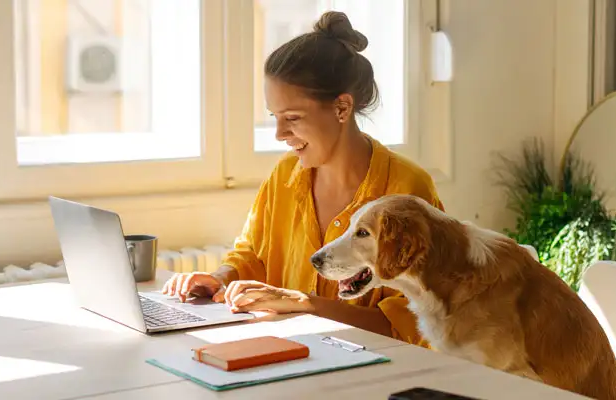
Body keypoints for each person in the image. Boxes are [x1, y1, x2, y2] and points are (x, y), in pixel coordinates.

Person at [160, 11, 442, 345]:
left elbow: (412, 324)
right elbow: (252, 256)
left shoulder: (407, 190)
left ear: (342, 108)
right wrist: (219, 278)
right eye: (274, 117)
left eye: (292, 117)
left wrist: (307, 306)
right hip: (288, 356)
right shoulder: (284, 176)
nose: (279, 133)